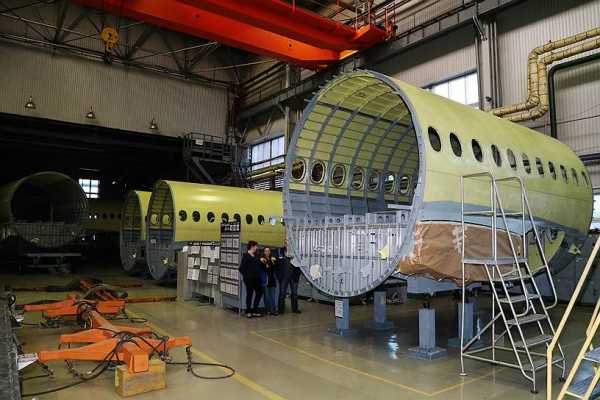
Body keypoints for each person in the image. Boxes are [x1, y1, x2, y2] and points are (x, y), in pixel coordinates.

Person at [239, 241, 263, 318]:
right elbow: (241, 268)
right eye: (256, 246)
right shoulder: (246, 255)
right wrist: (246, 276)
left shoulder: (256, 255)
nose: (257, 248)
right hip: (249, 279)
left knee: (259, 292)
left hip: (257, 278)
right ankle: (248, 311)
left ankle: (255, 310)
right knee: (250, 294)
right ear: (252, 246)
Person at [277, 239, 301, 314]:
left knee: (294, 294)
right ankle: (281, 310)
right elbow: (277, 262)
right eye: (285, 243)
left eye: (288, 243)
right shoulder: (280, 251)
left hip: (294, 276)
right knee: (282, 293)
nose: (286, 244)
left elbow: (300, 263)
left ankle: (295, 309)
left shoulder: (296, 252)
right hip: (284, 276)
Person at [260, 247, 278, 316]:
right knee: (266, 296)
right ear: (264, 252)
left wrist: (273, 262)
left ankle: (273, 310)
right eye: (265, 251)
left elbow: (276, 266)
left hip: (272, 280)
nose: (267, 252)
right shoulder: (262, 259)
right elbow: (262, 266)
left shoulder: (272, 259)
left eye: (268, 251)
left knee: (273, 296)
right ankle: (268, 310)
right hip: (265, 280)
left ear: (270, 252)